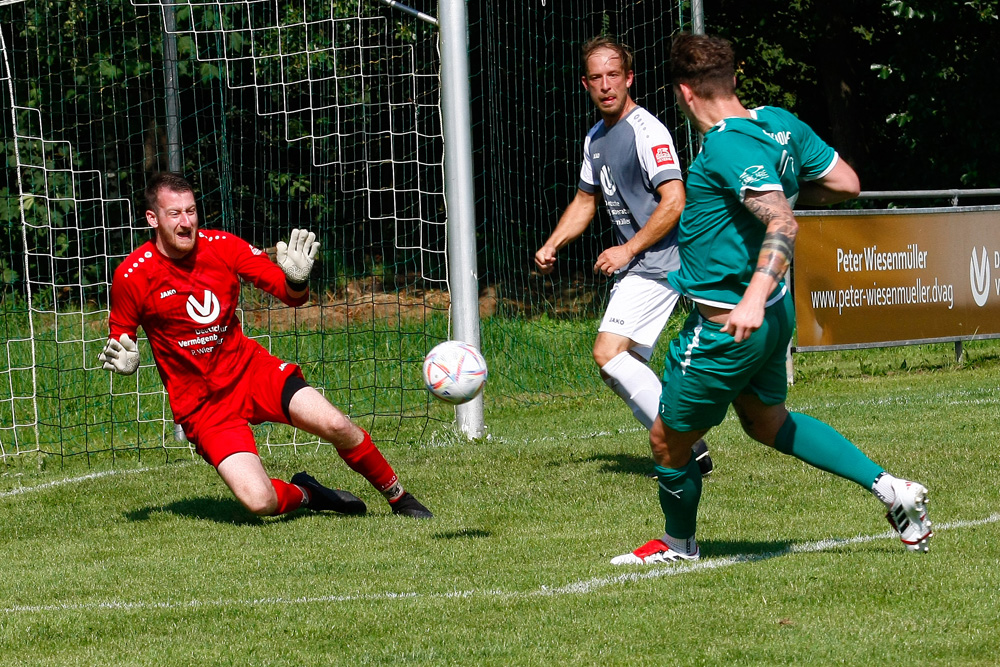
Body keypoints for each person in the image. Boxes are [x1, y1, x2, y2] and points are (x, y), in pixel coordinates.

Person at [611, 33, 932, 565]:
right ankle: (891, 489)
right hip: (773, 316)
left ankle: (677, 545)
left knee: (668, 441)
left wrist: (753, 295)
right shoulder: (779, 123)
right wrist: (781, 200)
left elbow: (782, 221)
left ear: (684, 93)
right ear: (734, 80)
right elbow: (847, 184)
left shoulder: (726, 146)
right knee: (766, 420)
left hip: (730, 324)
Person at [99, 172, 432, 519]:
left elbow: (290, 296)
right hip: (203, 406)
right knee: (260, 502)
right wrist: (128, 360)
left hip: (250, 372)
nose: (186, 222)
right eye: (175, 214)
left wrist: (296, 279)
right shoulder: (132, 274)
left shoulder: (223, 246)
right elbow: (122, 337)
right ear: (153, 218)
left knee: (337, 425)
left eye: (191, 211)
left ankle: (399, 498)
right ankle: (309, 494)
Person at [534, 36, 712, 475]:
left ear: (629, 78)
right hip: (637, 265)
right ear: (585, 84)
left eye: (614, 75)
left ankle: (680, 444)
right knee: (619, 367)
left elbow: (675, 200)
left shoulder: (647, 131)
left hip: (658, 262)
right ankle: (688, 447)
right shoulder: (596, 138)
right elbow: (584, 202)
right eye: (596, 77)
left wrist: (627, 248)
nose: (606, 85)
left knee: (606, 352)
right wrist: (553, 243)